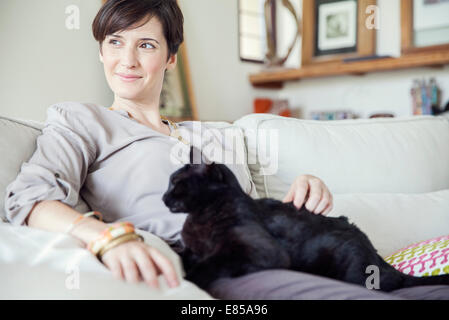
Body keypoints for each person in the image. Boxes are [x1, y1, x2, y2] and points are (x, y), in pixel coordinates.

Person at [5, 0, 447, 300]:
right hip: (216, 266)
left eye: (146, 44)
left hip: (280, 244)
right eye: (115, 42)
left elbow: (255, 208)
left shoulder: (220, 136)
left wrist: (305, 190)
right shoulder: (83, 120)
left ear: (170, 58)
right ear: (101, 51)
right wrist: (107, 238)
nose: (128, 60)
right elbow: (29, 200)